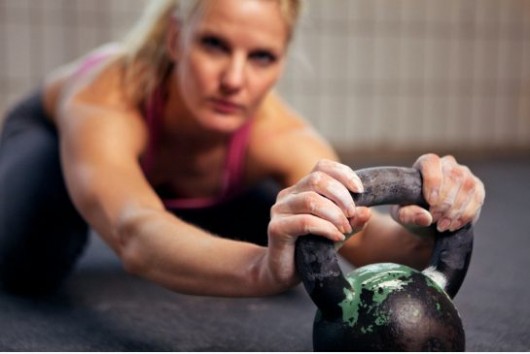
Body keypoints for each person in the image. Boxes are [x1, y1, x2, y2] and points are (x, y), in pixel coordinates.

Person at [0, 0, 484, 297]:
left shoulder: (281, 134)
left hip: (182, 190)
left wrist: (432, 224)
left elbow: (362, 239)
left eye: (261, 57)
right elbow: (134, 234)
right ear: (175, 38)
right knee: (28, 262)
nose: (234, 80)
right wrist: (257, 271)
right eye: (213, 44)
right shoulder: (107, 94)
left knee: (298, 224)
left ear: (281, 60)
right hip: (50, 149)